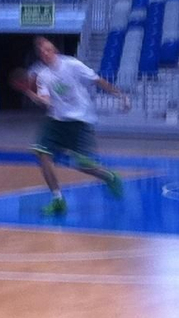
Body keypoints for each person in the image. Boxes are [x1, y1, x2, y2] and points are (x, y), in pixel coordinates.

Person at [18, 36, 130, 216]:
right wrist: (34, 95)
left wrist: (120, 95)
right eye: (41, 52)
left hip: (79, 119)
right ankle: (58, 200)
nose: (45, 53)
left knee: (81, 165)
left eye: (48, 49)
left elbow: (97, 80)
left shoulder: (72, 65)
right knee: (42, 154)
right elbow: (47, 102)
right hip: (55, 120)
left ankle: (110, 176)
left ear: (55, 51)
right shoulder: (44, 76)